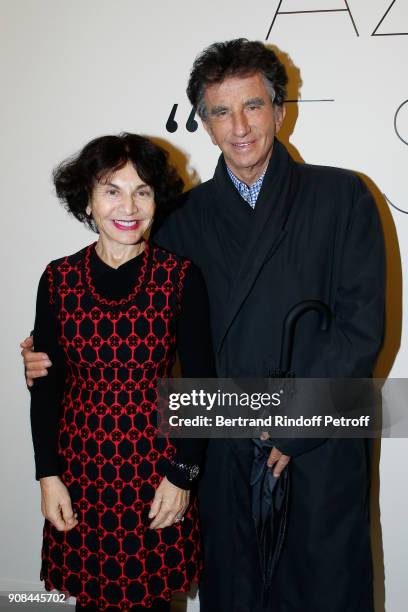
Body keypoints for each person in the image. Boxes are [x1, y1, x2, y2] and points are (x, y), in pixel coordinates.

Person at [22, 39, 385, 612]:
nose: (239, 126)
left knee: (323, 590)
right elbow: (125, 311)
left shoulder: (342, 197)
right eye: (220, 111)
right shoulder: (183, 217)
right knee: (234, 591)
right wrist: (50, 352)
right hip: (219, 446)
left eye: (253, 106)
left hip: (315, 441)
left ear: (280, 111)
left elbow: (360, 330)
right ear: (205, 124)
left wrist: (292, 428)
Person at [26, 133, 214, 611]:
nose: (128, 205)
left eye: (143, 190)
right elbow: (45, 388)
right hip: (80, 474)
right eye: (112, 189)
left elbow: (200, 385)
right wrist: (47, 475)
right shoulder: (57, 279)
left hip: (156, 474)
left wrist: (182, 476)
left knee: (152, 603)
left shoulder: (180, 277)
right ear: (87, 201)